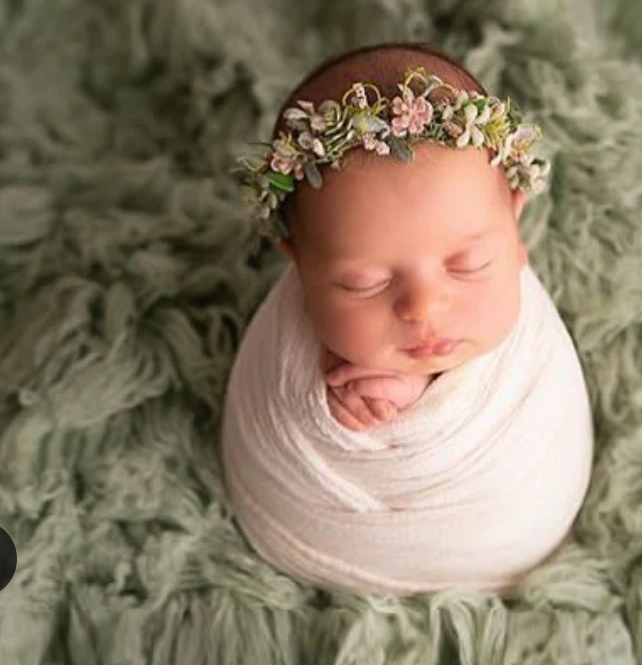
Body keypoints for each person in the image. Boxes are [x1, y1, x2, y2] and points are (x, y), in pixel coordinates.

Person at [221, 42, 592, 594]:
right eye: (363, 283)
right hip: (317, 539)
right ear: (298, 262)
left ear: (514, 223)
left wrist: (423, 397)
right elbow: (271, 417)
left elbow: (543, 426)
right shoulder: (289, 344)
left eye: (470, 264)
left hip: (510, 526)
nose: (423, 307)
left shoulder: (525, 355)